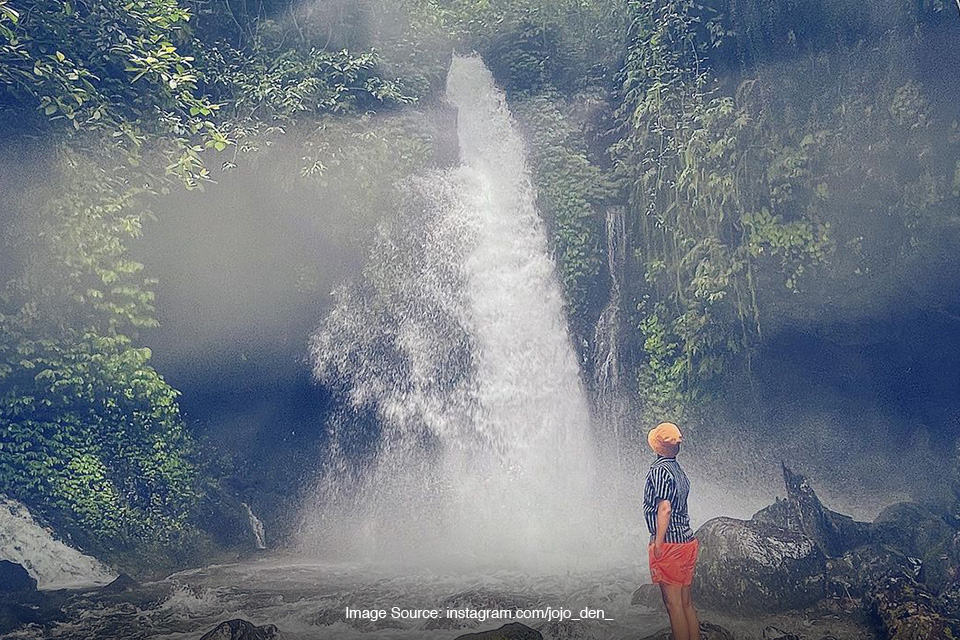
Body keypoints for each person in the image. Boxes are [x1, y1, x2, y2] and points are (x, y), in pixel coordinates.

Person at [643, 421, 700, 640]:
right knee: (686, 604)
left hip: (671, 544)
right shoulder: (678, 469)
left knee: (673, 606)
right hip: (687, 540)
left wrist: (658, 543)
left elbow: (664, 508)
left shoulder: (659, 470)